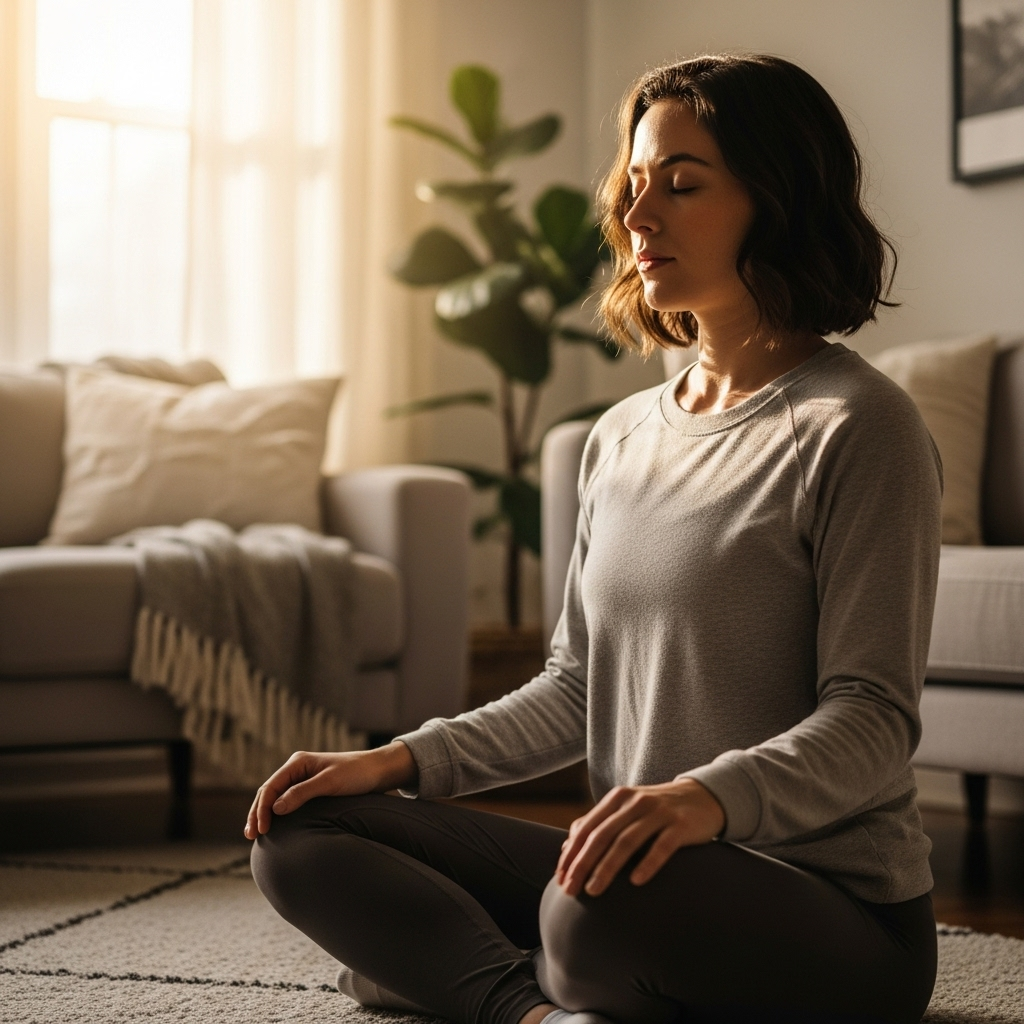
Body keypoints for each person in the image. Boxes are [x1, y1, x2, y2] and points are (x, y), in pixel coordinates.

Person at [247, 54, 942, 1024]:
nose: (634, 215)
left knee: (583, 918)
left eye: (682, 184)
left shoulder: (857, 424)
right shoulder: (618, 437)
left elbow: (870, 717)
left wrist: (703, 796)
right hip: (635, 871)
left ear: (777, 200)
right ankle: (532, 1010)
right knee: (300, 830)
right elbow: (577, 689)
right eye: (635, 184)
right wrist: (394, 760)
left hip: (834, 914)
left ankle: (463, 971)